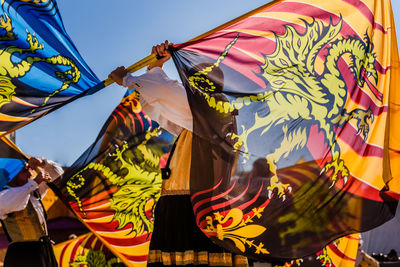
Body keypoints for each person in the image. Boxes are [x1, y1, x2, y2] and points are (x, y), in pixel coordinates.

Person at [109, 41, 248, 266]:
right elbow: (166, 106)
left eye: (192, 82)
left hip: (191, 202)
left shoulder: (208, 108)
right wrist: (158, 66)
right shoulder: (209, 115)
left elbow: (167, 93)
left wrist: (128, 79)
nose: (189, 87)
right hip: (202, 202)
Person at [0, 157, 64, 267]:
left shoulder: (33, 191)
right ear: (13, 174)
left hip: (44, 251)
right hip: (22, 255)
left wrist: (43, 163)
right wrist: (35, 182)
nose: (30, 173)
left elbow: (58, 173)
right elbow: (13, 201)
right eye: (25, 170)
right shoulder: (4, 196)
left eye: (29, 169)